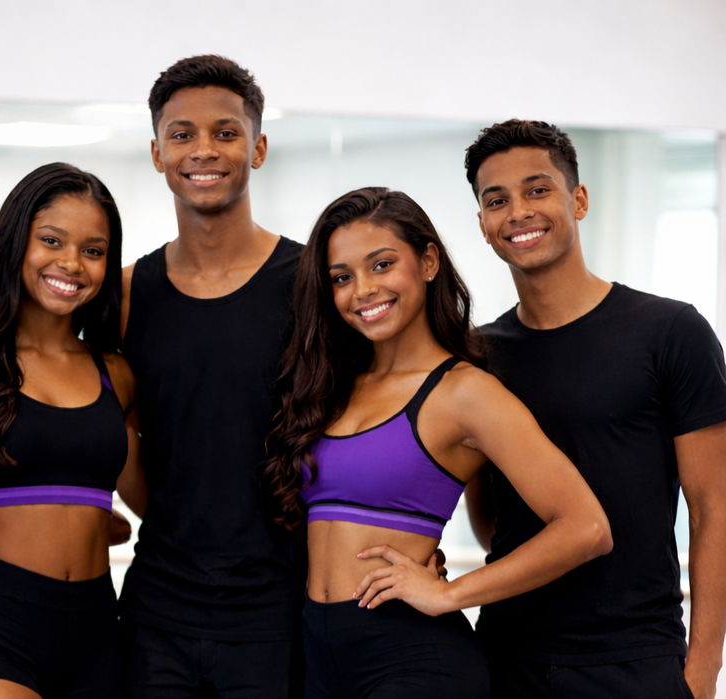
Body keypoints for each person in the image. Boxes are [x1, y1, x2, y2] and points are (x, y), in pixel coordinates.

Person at [262, 186, 612, 697]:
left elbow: (587, 528)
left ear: (428, 262)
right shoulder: (334, 388)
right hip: (321, 656)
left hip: (412, 658)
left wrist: (454, 595)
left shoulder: (464, 392)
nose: (362, 290)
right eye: (342, 277)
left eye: (381, 265)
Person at [463, 119, 726, 699]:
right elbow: (490, 521)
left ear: (577, 199)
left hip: (635, 660)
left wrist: (702, 672)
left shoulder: (670, 331)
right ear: (482, 225)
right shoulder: (477, 357)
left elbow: (714, 508)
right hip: (508, 658)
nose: (519, 212)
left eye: (538, 190)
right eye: (496, 200)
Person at [0, 162, 143, 699]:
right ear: (16, 243)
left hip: (97, 633)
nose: (71, 263)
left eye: (93, 250)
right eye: (52, 241)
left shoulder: (118, 374)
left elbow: (142, 505)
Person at [116, 55, 307, 697]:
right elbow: (115, 431)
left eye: (226, 132)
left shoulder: (311, 285)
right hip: (157, 611)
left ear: (257, 148)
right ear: (156, 152)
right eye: (182, 134)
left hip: (281, 612)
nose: (204, 150)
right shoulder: (125, 296)